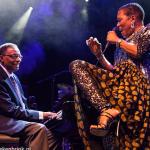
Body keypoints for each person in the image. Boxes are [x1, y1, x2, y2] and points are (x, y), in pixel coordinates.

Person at [69, 3, 149, 149]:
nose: (117, 25)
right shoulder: (121, 47)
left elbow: (138, 52)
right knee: (76, 65)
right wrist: (99, 55)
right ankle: (106, 109)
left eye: (119, 20)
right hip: (121, 89)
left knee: (127, 67)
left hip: (140, 90)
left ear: (132, 18)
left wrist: (117, 41)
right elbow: (115, 71)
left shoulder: (146, 32)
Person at [0, 43, 62, 149]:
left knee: (53, 136)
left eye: (20, 56)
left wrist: (39, 117)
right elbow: (11, 110)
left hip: (14, 119)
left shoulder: (13, 76)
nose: (19, 59)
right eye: (14, 56)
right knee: (39, 129)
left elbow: (23, 105)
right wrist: (43, 114)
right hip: (4, 120)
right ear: (1, 58)